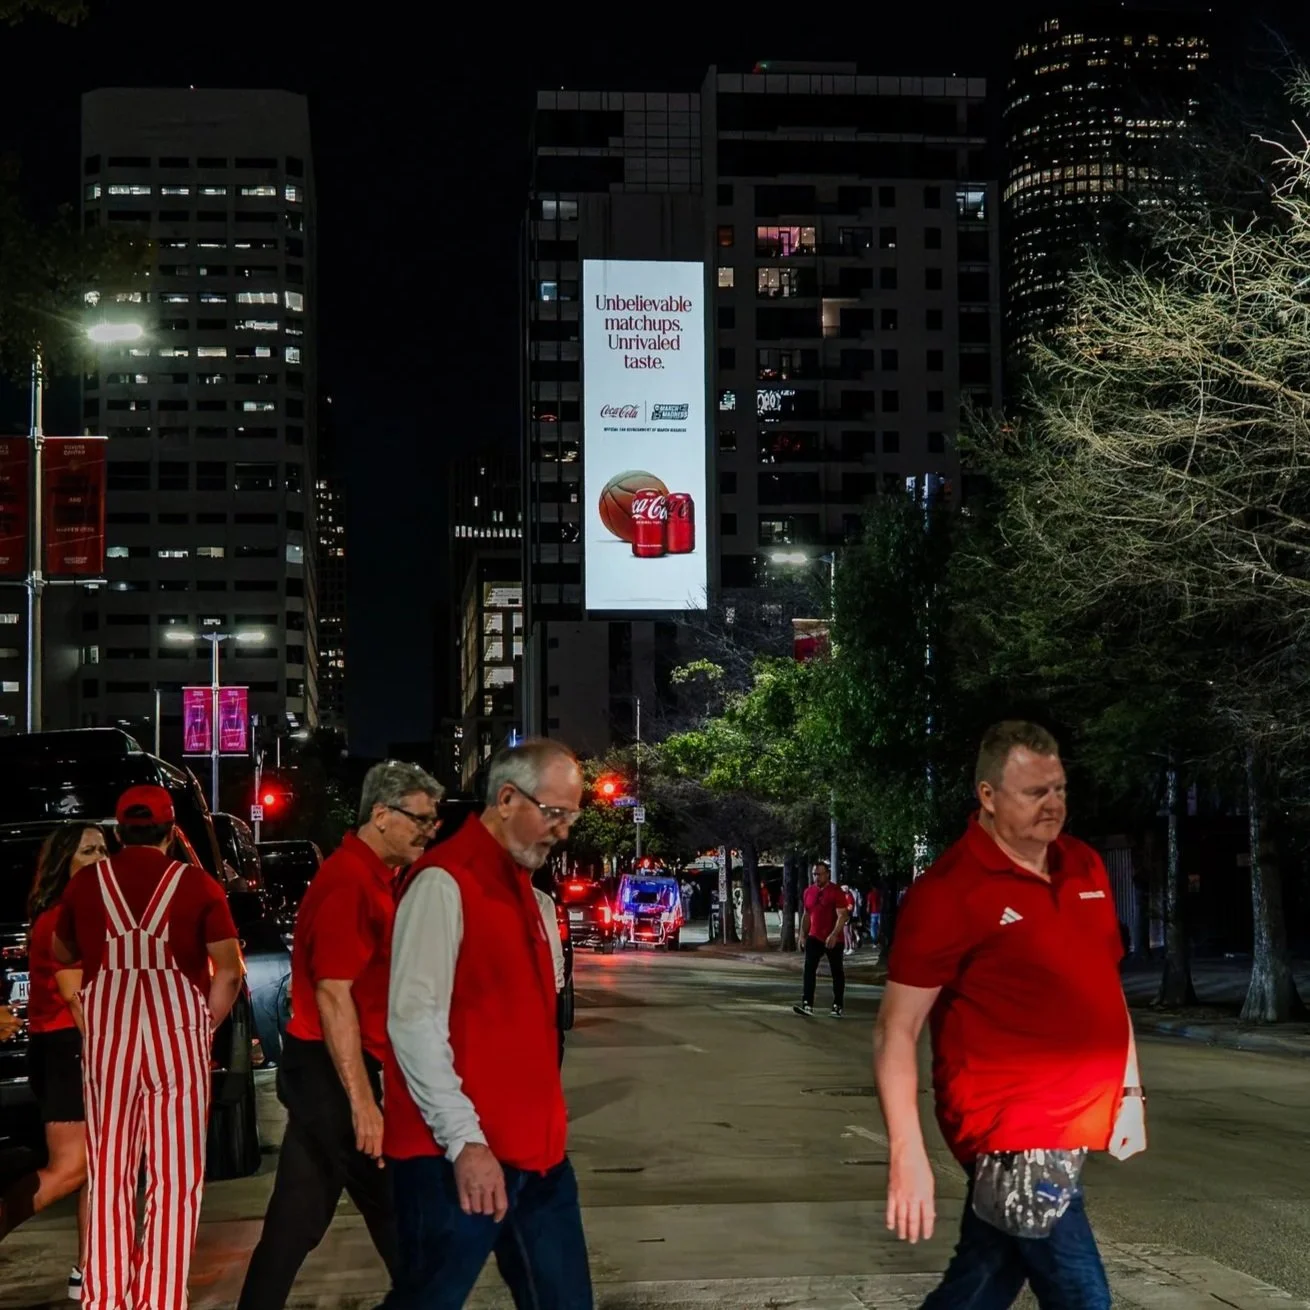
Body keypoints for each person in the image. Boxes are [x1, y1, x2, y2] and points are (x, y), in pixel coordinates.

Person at [874, 721, 1145, 1310]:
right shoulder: (950, 892)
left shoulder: (1085, 867)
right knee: (1081, 1295)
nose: (1054, 806)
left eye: (1060, 789)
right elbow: (896, 1029)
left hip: (1075, 1120)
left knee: (982, 1282)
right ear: (989, 797)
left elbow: (1106, 988)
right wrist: (907, 1151)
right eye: (1035, 792)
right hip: (1012, 1126)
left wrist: (1130, 1095)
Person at [381, 738, 593, 1309]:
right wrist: (466, 1143)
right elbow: (413, 1022)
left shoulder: (534, 899)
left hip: (539, 1159)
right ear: (505, 798)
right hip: (453, 1159)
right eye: (554, 813)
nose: (564, 831)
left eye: (571, 816)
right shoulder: (443, 883)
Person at [238, 760, 444, 1310]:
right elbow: (334, 996)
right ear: (382, 815)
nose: (431, 829)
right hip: (331, 1071)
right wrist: (363, 1103)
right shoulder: (351, 885)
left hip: (322, 1071)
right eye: (421, 819)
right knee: (399, 1216)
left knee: (294, 1224)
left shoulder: (374, 879)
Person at [53, 785, 244, 1310]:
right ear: (170, 831)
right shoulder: (198, 884)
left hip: (108, 1034)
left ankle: (105, 1297)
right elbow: (227, 971)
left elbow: (61, 953)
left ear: (118, 832)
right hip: (176, 1035)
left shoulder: (88, 884)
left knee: (110, 1169)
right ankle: (160, 1299)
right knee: (175, 1176)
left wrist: (83, 1009)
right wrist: (204, 1025)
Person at [0, 824, 109, 1298]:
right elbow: (83, 997)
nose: (101, 856)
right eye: (88, 850)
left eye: (106, 848)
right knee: (74, 1166)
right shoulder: (63, 918)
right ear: (65, 862)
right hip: (69, 1046)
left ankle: (90, 1270)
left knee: (99, 1164)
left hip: (73, 1045)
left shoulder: (87, 912)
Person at [793, 862, 850, 1018]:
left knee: (836, 971)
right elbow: (807, 915)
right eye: (814, 874)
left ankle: (837, 1005)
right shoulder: (808, 892)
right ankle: (807, 1003)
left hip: (833, 938)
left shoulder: (835, 891)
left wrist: (834, 934)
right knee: (809, 969)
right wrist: (802, 935)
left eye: (819, 874)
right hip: (814, 936)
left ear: (827, 874)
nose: (816, 877)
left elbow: (842, 915)